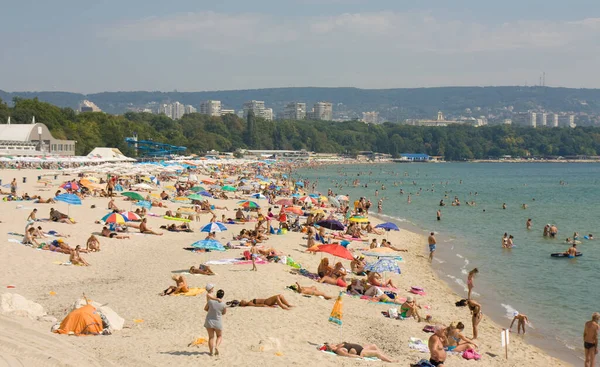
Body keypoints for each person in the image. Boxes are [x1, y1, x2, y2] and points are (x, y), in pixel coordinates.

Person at [323, 342, 397, 363]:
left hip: (361, 348)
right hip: (361, 352)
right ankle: (390, 361)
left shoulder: (337, 345)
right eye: (330, 345)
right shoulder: (338, 350)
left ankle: (385, 357)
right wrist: (359, 357)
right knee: (376, 353)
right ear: (330, 348)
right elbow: (348, 355)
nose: (331, 343)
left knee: (374, 345)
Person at [204, 289, 226, 356]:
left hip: (209, 321)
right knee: (219, 336)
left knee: (211, 337)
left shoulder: (210, 302)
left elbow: (205, 309)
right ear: (222, 296)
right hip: (217, 321)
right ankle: (216, 346)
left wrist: (211, 311)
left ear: (216, 294)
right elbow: (224, 312)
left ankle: (211, 352)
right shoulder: (223, 304)